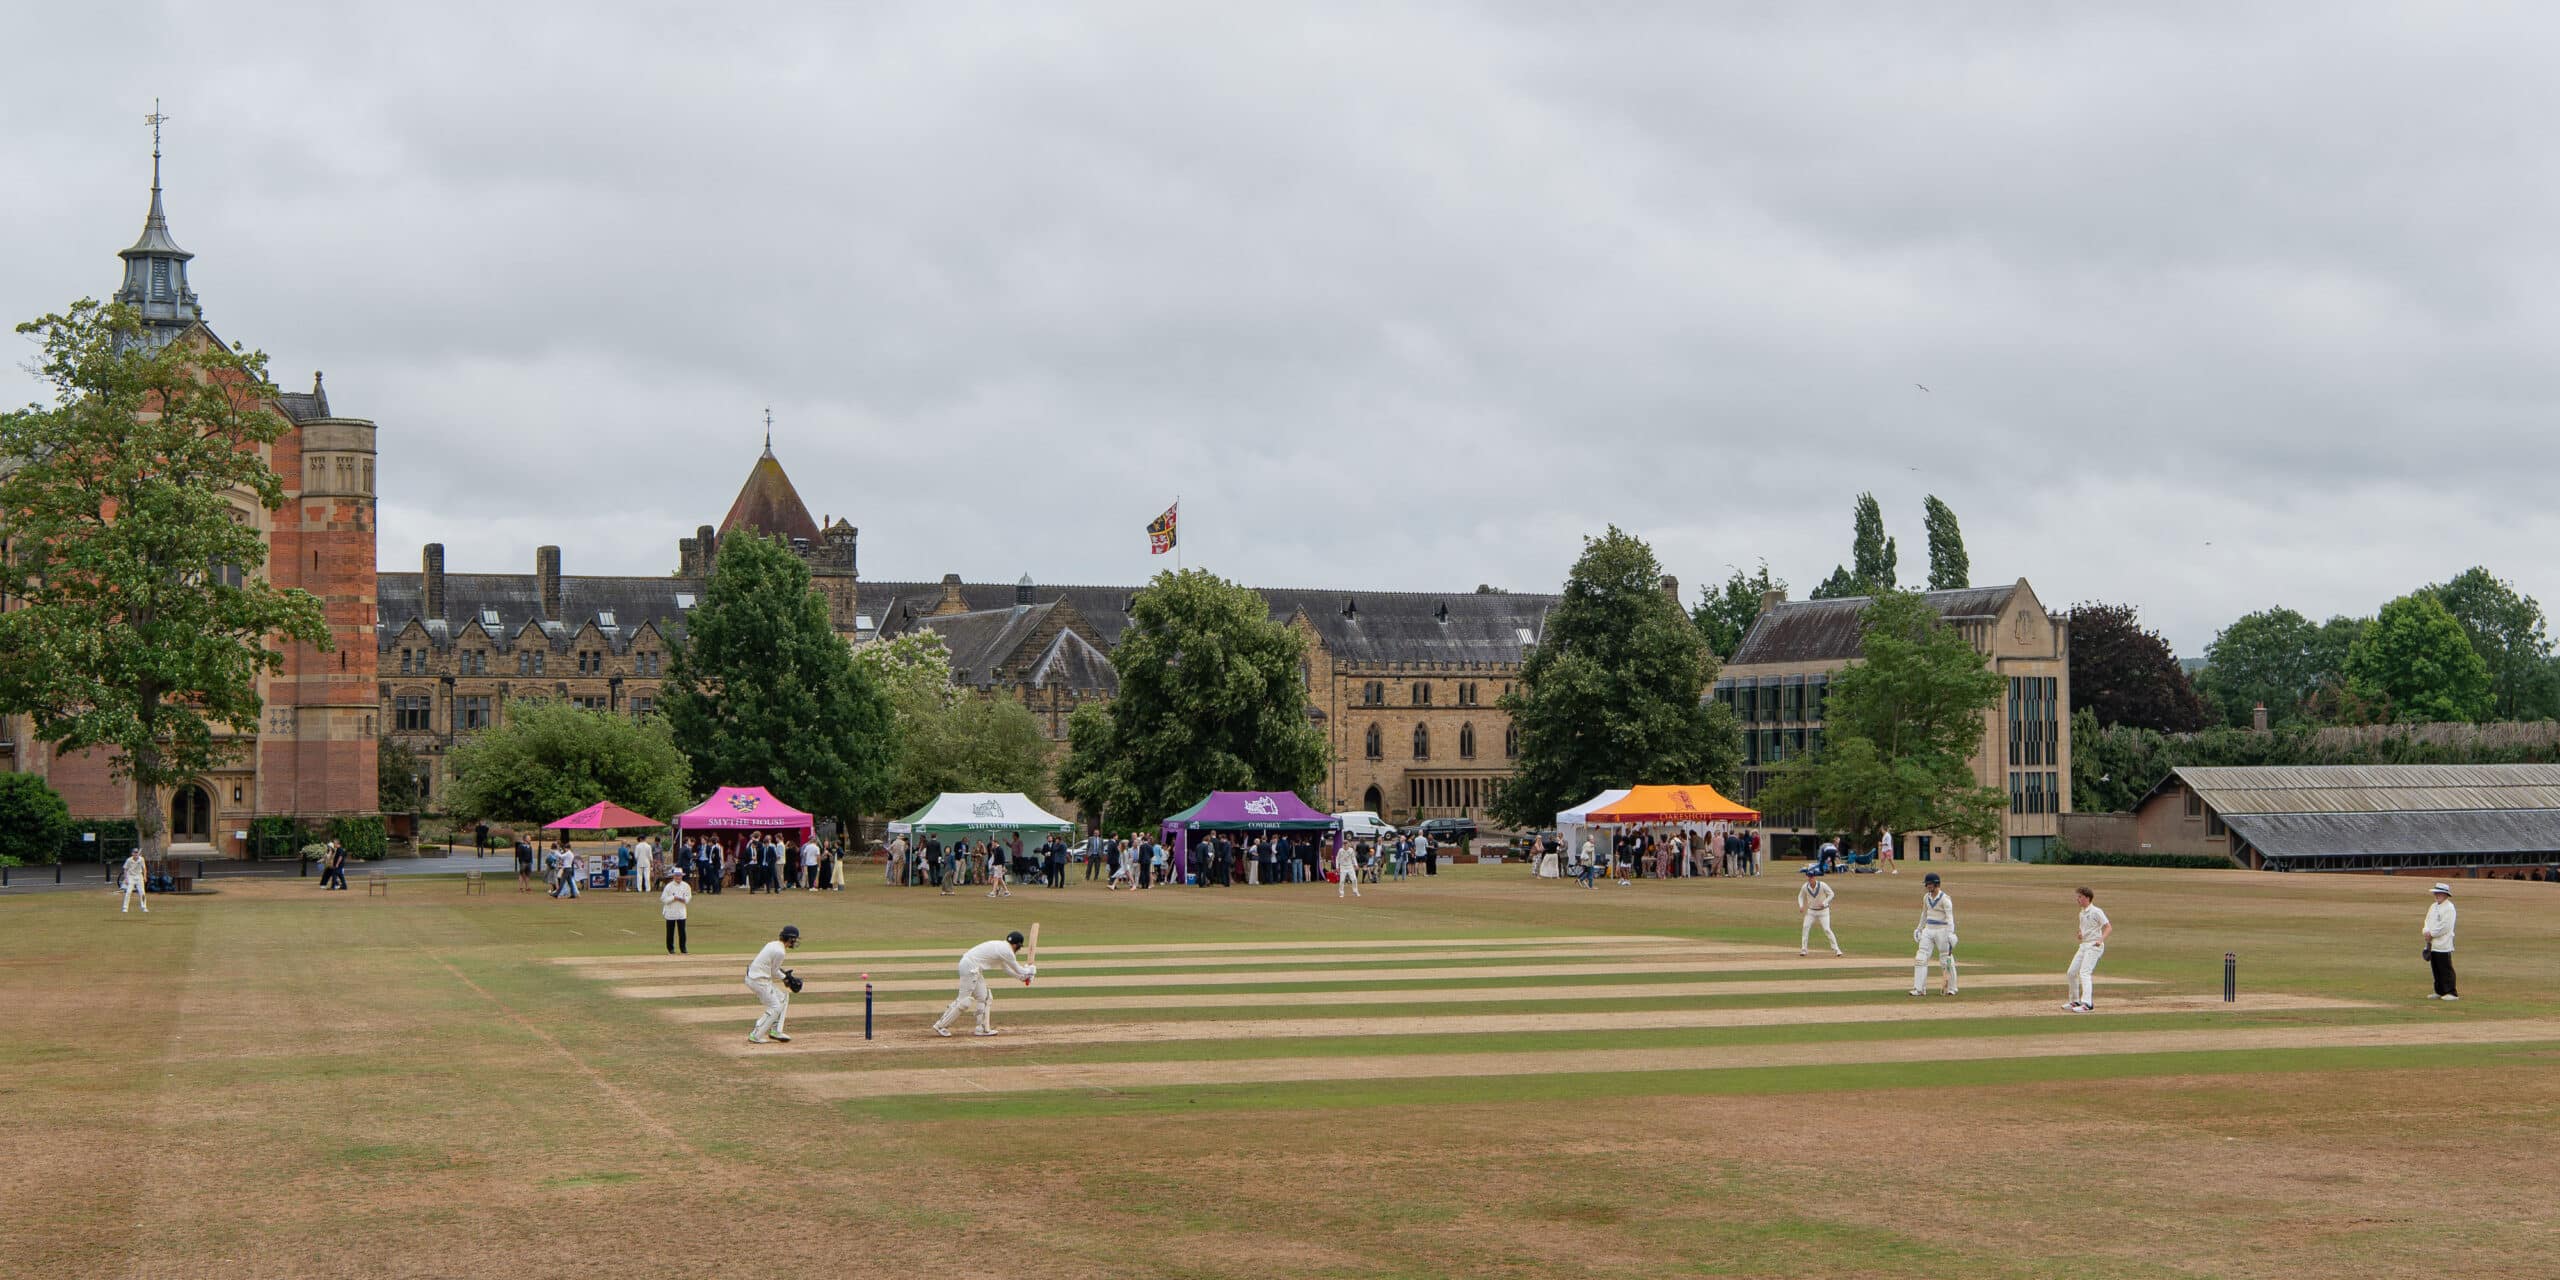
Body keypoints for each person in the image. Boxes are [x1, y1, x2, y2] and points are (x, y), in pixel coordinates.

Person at [932, 930, 1037, 1037]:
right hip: (970, 967)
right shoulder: (1007, 951)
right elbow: (1019, 969)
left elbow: (1006, 969)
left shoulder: (1002, 947)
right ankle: (940, 1026)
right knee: (964, 1001)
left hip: (973, 967)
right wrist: (1030, 970)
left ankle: (981, 1028)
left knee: (985, 997)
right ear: (1017, 945)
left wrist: (1022, 977)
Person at [745, 924, 800, 1044]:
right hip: (759, 981)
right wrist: (786, 978)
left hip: (755, 977)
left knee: (783, 997)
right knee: (775, 1007)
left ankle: (776, 1031)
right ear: (790, 939)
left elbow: (773, 967)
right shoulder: (780, 951)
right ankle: (756, 1035)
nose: (795, 942)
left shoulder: (773, 944)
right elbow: (774, 971)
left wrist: (786, 977)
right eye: (795, 939)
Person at [2064, 886, 2111, 1012]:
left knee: (2084, 973)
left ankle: (2088, 1004)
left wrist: (2100, 940)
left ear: (2087, 898)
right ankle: (2075, 1001)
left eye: (2080, 897)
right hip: (2084, 945)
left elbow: (2108, 927)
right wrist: (2080, 934)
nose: (2077, 899)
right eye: (2077, 897)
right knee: (2071, 972)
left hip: (2094, 946)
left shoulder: (2096, 911)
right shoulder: (2081, 913)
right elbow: (2083, 930)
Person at [1911, 872, 1957, 996]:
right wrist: (1919, 928)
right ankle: (1919, 989)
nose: (1927, 886)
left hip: (1942, 930)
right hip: (1928, 929)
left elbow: (1950, 917)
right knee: (1921, 958)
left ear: (1936, 884)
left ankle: (1951, 988)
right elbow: (1924, 914)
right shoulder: (1926, 897)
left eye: (1929, 884)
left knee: (1945, 959)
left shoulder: (1945, 899)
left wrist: (1951, 933)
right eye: (1927, 884)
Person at [2422, 882, 2459, 1001]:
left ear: (2445, 894)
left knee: (2445, 968)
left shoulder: (2449, 908)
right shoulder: (2433, 906)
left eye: (2439, 893)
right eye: (2436, 893)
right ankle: (2439, 991)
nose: (2436, 895)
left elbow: (2445, 926)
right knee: (2436, 968)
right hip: (2432, 944)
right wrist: (2426, 932)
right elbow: (2427, 921)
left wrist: (2431, 934)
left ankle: (2451, 992)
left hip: (2443, 943)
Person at [1798, 866, 1841, 957]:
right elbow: (1800, 896)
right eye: (1809, 877)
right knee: (1805, 927)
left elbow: (1831, 894)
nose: (1810, 879)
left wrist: (1825, 902)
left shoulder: (1822, 885)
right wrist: (1801, 905)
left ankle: (1837, 949)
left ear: (1815, 877)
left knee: (1827, 929)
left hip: (1823, 912)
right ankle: (1804, 949)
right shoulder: (1805, 886)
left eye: (1812, 877)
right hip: (1811, 911)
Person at [661, 867, 692, 955]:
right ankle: (670, 949)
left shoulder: (686, 886)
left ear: (682, 876)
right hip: (670, 912)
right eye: (676, 876)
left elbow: (688, 898)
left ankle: (683, 948)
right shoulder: (669, 886)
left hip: (681, 912)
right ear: (673, 876)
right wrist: (673, 898)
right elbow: (663, 899)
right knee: (670, 932)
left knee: (682, 932)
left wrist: (682, 899)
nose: (678, 877)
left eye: (679, 876)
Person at [120, 849, 150, 914]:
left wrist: (145, 877)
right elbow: (125, 870)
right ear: (132, 853)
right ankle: (125, 908)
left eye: (137, 853)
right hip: (131, 876)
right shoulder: (129, 860)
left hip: (139, 876)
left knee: (142, 892)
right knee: (128, 892)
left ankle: (144, 907)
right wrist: (126, 879)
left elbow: (144, 869)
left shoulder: (141, 859)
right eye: (134, 853)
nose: (136, 854)